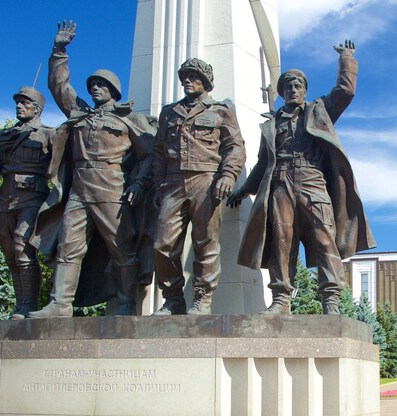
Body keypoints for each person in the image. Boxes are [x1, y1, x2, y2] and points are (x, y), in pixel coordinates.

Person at [227, 40, 375, 315]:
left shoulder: (318, 111)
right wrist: (244, 189)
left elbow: (345, 92)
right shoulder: (271, 125)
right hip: (280, 184)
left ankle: (331, 300)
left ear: (305, 91)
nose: (293, 89)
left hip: (312, 181)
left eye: (298, 86)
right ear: (282, 93)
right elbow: (262, 164)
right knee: (282, 241)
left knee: (323, 238)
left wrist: (346, 58)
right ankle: (281, 300)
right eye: (288, 87)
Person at [30, 21, 155, 317]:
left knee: (121, 247)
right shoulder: (80, 113)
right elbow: (59, 87)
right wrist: (59, 50)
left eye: (102, 85)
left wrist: (137, 184)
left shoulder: (129, 120)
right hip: (80, 189)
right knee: (68, 247)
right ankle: (60, 304)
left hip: (112, 188)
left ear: (114, 91)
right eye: (92, 86)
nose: (96, 89)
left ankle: (127, 304)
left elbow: (149, 155)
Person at [150, 58, 246, 315]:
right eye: (184, 76)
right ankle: (172, 299)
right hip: (172, 181)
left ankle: (202, 299)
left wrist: (228, 175)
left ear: (205, 81)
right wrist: (159, 185)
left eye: (193, 76)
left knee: (205, 242)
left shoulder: (220, 111)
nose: (187, 81)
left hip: (206, 180)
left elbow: (235, 147)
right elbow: (158, 151)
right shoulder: (169, 112)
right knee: (162, 244)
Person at [0, 87, 55, 319]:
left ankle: (28, 306)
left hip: (33, 197)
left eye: (25, 103)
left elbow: (60, 167)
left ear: (38, 108)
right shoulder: (6, 136)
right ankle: (19, 304)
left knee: (22, 250)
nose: (19, 107)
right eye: (17, 103)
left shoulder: (48, 134)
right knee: (10, 254)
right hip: (7, 198)